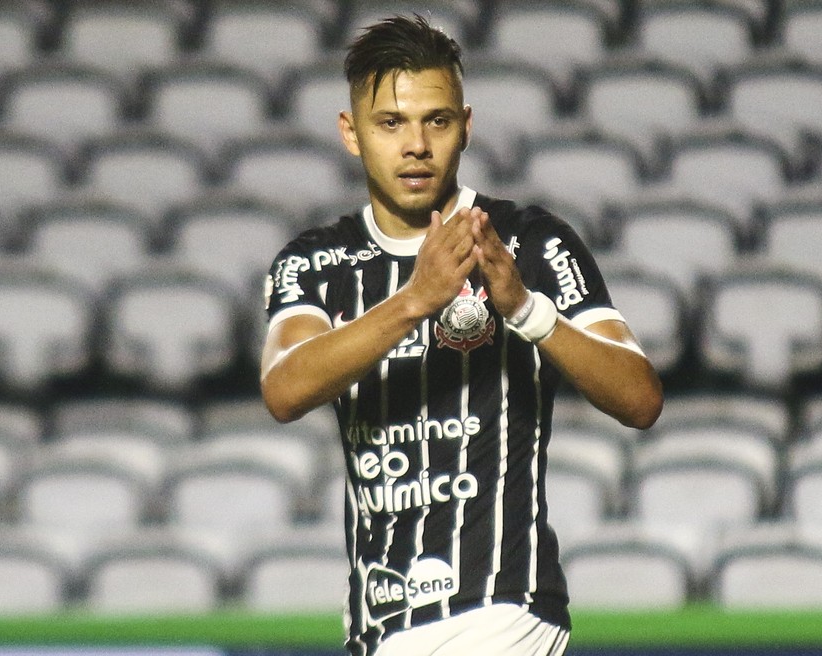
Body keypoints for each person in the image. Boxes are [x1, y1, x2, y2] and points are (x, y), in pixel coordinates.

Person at [260, 14, 663, 656]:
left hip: (502, 613)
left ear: (466, 127)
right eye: (390, 123)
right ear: (351, 134)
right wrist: (416, 300)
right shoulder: (314, 262)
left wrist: (526, 309)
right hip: (380, 623)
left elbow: (640, 398)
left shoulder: (529, 242)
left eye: (436, 121)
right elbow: (285, 389)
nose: (415, 145)